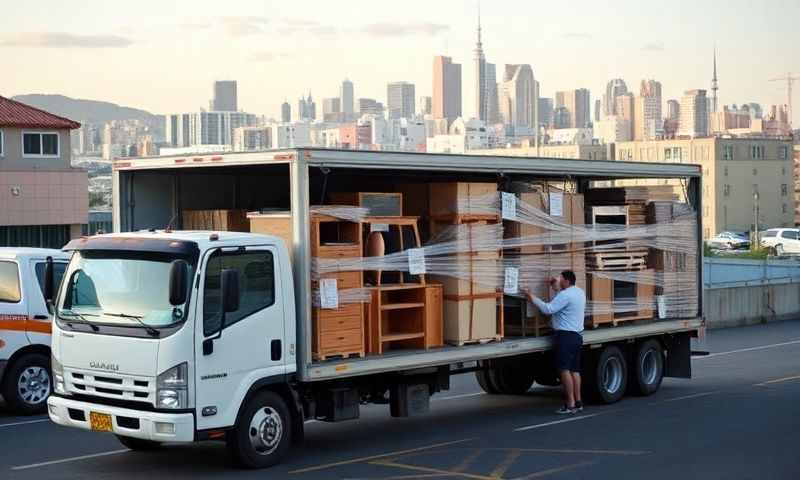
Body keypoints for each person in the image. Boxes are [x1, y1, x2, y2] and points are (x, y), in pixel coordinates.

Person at [524, 270, 586, 414]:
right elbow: (563, 304)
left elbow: (548, 309)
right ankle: (578, 402)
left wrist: (530, 296)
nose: (558, 280)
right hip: (577, 336)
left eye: (561, 279)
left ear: (567, 282)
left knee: (564, 370)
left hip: (565, 337)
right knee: (575, 370)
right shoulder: (579, 292)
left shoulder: (565, 295)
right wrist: (556, 289)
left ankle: (570, 404)